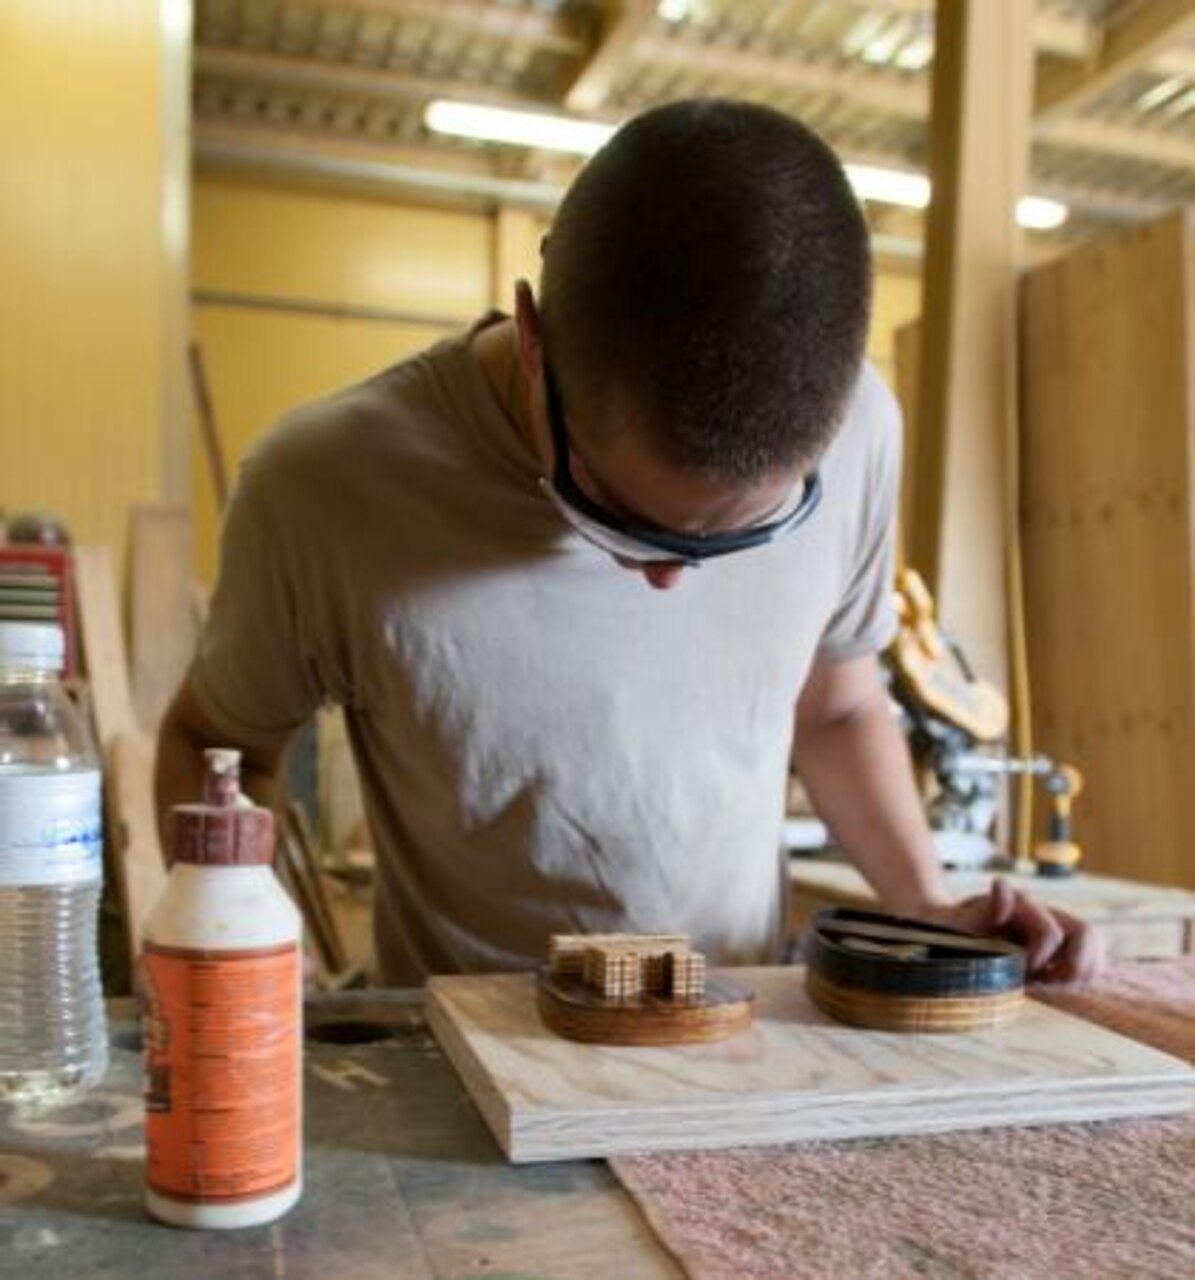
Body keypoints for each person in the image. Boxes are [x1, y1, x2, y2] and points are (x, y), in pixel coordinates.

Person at [156, 98, 1100, 986]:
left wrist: (926, 902)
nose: (662, 579)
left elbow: (837, 704)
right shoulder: (327, 485)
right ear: (534, 338)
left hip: (737, 1028)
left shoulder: (859, 432)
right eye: (609, 512)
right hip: (467, 1070)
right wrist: (257, 978)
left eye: (735, 543)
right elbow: (218, 740)